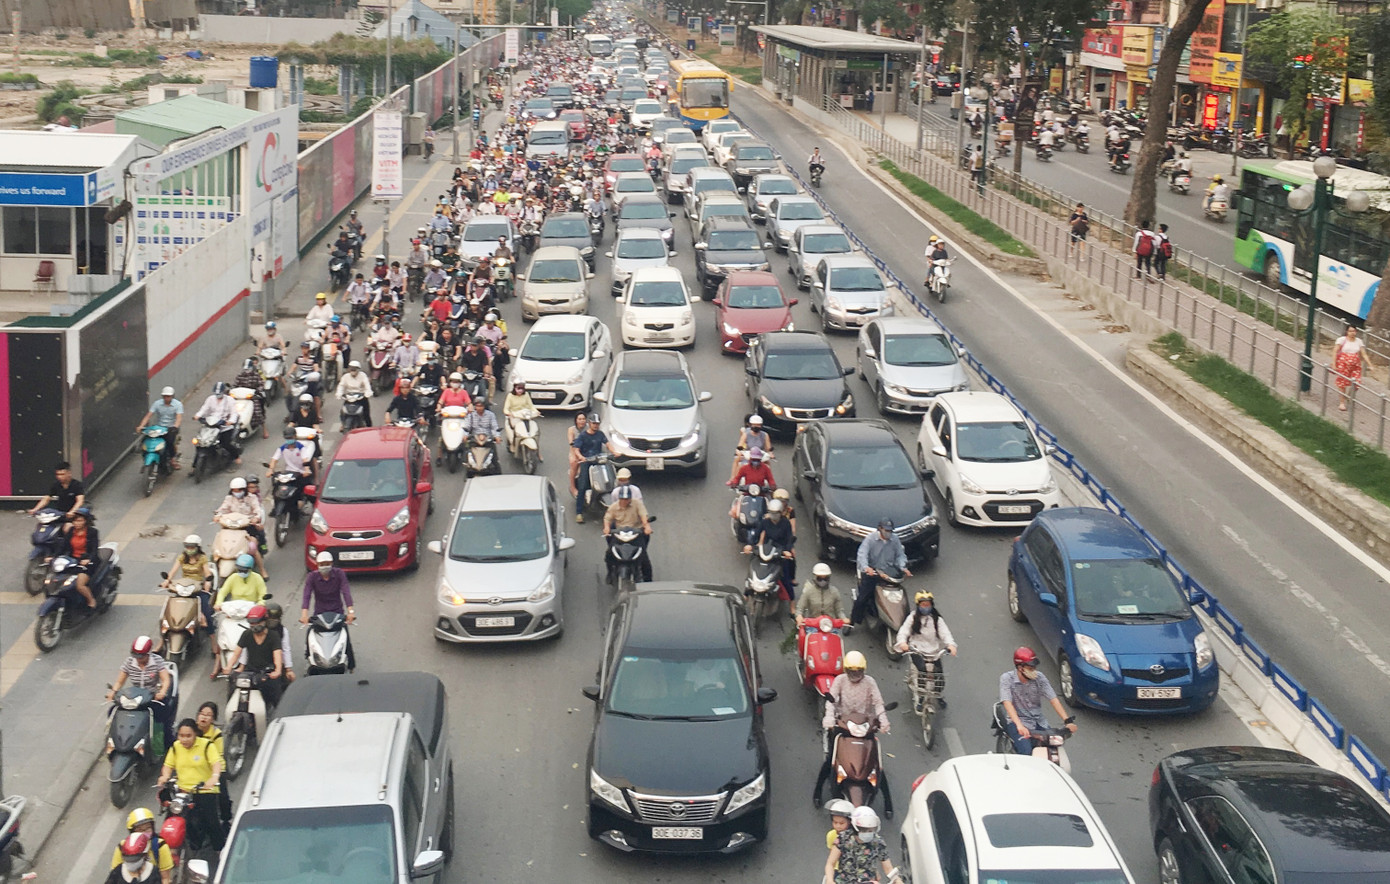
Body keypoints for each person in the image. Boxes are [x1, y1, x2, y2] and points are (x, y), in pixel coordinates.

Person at [813, 651, 891, 813]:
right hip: (843, 727)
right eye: (852, 671)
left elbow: (878, 703)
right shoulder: (840, 681)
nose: (855, 675)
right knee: (830, 762)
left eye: (858, 671)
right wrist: (829, 718)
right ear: (846, 671)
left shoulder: (870, 682)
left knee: (875, 764)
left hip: (865, 727)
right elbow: (831, 701)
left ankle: (888, 803)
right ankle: (817, 792)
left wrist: (883, 722)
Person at [156, 720, 225, 851]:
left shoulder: (206, 746)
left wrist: (214, 777)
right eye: (181, 735)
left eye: (188, 736)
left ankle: (220, 850)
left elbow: (216, 763)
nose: (184, 739)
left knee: (211, 823)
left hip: (204, 791)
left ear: (195, 735)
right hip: (182, 792)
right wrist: (165, 776)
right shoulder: (176, 747)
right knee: (170, 819)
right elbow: (168, 766)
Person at [999, 646, 1077, 755]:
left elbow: (1053, 699)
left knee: (1054, 746)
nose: (1034, 671)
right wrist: (1019, 725)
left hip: (1039, 721)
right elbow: (1007, 703)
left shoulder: (1040, 678)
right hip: (1018, 722)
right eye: (1030, 668)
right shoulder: (1007, 679)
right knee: (1026, 752)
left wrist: (1067, 721)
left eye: (1034, 668)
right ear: (1020, 668)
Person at [107, 635, 176, 751]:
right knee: (112, 712)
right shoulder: (129, 662)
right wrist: (113, 692)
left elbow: (166, 679)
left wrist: (162, 692)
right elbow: (120, 681)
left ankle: (165, 743)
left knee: (162, 716)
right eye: (136, 656)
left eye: (142, 656)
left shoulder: (157, 661)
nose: (138, 659)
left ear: (148, 653)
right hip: (133, 698)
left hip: (152, 698)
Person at [895, 591, 957, 710]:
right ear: (918, 605)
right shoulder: (912, 618)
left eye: (928, 604)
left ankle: (938, 695)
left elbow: (946, 634)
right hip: (916, 650)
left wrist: (951, 645)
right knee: (922, 670)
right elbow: (903, 631)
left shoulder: (937, 620)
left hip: (934, 652)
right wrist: (903, 643)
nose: (926, 607)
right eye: (923, 605)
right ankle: (921, 697)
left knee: (939, 676)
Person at [301, 552, 356, 671]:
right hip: (320, 614)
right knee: (310, 635)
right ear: (317, 564)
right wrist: (304, 615)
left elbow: (346, 591)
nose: (324, 566)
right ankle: (309, 658)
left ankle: (351, 666)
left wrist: (350, 611)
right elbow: (307, 595)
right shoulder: (312, 577)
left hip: (337, 613)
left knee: (345, 638)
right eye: (322, 564)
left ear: (331, 564)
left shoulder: (339, 574)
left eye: (327, 564)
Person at [851, 519, 910, 625]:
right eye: (886, 530)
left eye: (890, 531)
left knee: (901, 597)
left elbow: (900, 555)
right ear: (880, 529)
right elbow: (862, 554)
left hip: (889, 573)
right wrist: (866, 568)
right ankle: (852, 621)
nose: (888, 533)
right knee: (862, 599)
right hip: (873, 573)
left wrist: (903, 567)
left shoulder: (895, 539)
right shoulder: (870, 539)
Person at [824, 806, 899, 884]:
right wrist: (829, 880)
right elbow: (830, 863)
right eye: (864, 830)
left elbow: (888, 868)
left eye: (871, 830)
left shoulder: (878, 842)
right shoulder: (843, 838)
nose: (868, 833)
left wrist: (897, 880)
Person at [192, 701, 234, 827]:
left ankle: (226, 819)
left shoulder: (216, 734)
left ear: (213, 719)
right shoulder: (191, 730)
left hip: (215, 768)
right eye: (202, 714)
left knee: (222, 796)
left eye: (208, 715)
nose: (204, 717)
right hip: (195, 767)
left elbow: (218, 756)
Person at [215, 476, 268, 574]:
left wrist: (255, 518)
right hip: (230, 527)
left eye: (239, 490)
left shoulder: (252, 498)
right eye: (234, 490)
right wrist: (218, 515)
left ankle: (262, 569)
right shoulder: (229, 498)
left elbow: (257, 509)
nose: (237, 492)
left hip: (248, 526)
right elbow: (223, 508)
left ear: (244, 489)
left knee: (252, 547)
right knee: (218, 544)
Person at [234, 605, 285, 707]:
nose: (254, 626)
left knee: (277, 700)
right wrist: (228, 667)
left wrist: (277, 670)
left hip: (268, 672)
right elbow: (237, 652)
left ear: (264, 621)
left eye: (257, 623)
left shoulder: (274, 635)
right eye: (252, 623)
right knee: (234, 688)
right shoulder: (246, 634)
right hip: (250, 671)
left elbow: (277, 654)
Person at [745, 498, 795, 599]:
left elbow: (789, 539)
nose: (773, 515)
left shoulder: (786, 523)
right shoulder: (765, 522)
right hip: (767, 548)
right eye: (771, 512)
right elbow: (756, 534)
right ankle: (746, 593)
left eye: (776, 513)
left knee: (785, 578)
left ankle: (792, 605)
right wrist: (750, 544)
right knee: (752, 568)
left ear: (781, 512)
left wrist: (787, 551)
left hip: (780, 550)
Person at [571, 413, 617, 522]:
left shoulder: (600, 434)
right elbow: (576, 449)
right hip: (587, 462)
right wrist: (581, 457)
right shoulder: (583, 436)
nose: (596, 425)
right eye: (594, 423)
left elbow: (608, 444)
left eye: (597, 424)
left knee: (612, 480)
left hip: (599, 461)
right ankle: (579, 513)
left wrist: (614, 452)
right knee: (582, 486)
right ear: (589, 423)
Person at [602, 485, 653, 581]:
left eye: (626, 499)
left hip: (636, 534)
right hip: (620, 534)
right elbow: (607, 518)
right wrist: (606, 528)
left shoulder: (637, 504)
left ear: (630, 498)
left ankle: (648, 580)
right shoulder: (614, 507)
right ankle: (610, 572)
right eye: (622, 499)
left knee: (644, 558)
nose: (624, 501)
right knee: (609, 554)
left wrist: (647, 527)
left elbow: (643, 515)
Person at [107, 810, 173, 884]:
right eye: (139, 830)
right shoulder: (122, 847)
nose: (144, 833)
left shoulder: (160, 845)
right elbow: (115, 874)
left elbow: (165, 878)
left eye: (147, 828)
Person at [56, 507, 101, 609]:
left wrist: (89, 559)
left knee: (80, 585)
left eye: (80, 520)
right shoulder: (71, 531)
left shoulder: (92, 532)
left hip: (87, 563)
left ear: (85, 521)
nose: (77, 523)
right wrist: (53, 557)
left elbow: (94, 549)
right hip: (72, 561)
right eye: (75, 520)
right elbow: (63, 546)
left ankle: (91, 600)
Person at [194, 382, 241, 466]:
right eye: (216, 393)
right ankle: (194, 467)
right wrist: (197, 416)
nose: (218, 395)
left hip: (224, 426)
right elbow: (204, 409)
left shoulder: (230, 400)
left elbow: (234, 413)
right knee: (200, 443)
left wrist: (230, 421)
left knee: (226, 443)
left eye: (220, 393)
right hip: (210, 425)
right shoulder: (210, 399)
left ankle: (236, 456)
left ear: (223, 392)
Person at [137, 386, 185, 466]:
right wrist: (141, 426)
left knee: (170, 442)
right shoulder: (157, 403)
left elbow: (178, 418)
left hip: (171, 428)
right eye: (165, 396)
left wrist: (175, 427)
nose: (166, 398)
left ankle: (173, 459)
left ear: (172, 396)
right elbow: (148, 416)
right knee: (145, 440)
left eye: (168, 396)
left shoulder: (178, 404)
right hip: (159, 428)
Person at [728, 415, 772, 484]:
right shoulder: (746, 434)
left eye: (758, 425)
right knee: (739, 462)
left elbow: (769, 448)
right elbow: (740, 446)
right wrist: (739, 452)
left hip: (760, 456)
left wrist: (770, 454)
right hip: (748, 455)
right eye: (754, 425)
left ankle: (769, 481)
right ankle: (733, 479)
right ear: (751, 425)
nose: (756, 427)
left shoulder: (765, 435)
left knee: (767, 465)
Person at [1334, 324, 1366, 411]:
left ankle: (1348, 395)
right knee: (1342, 383)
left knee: (1357, 382)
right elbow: (1335, 351)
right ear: (1347, 332)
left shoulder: (1359, 341)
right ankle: (1342, 402)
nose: (1352, 333)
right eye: (1350, 331)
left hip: (1355, 365)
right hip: (1343, 364)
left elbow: (1363, 353)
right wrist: (1333, 363)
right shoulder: (1342, 340)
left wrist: (1369, 364)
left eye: (1354, 331)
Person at [335, 361, 374, 429]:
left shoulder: (363, 376)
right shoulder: (345, 376)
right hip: (349, 397)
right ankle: (343, 424)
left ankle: (369, 427)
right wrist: (339, 393)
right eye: (351, 368)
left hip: (361, 397)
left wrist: (368, 393)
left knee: (366, 414)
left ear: (358, 369)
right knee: (342, 412)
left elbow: (367, 385)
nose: (353, 370)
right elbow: (341, 386)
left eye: (354, 368)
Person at [567, 412, 589, 497]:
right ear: (576, 420)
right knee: (574, 464)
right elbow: (571, 443)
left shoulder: (589, 428)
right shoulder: (571, 430)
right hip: (575, 452)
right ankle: (573, 487)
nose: (582, 421)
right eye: (580, 419)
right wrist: (576, 456)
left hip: (587, 451)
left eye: (583, 419)